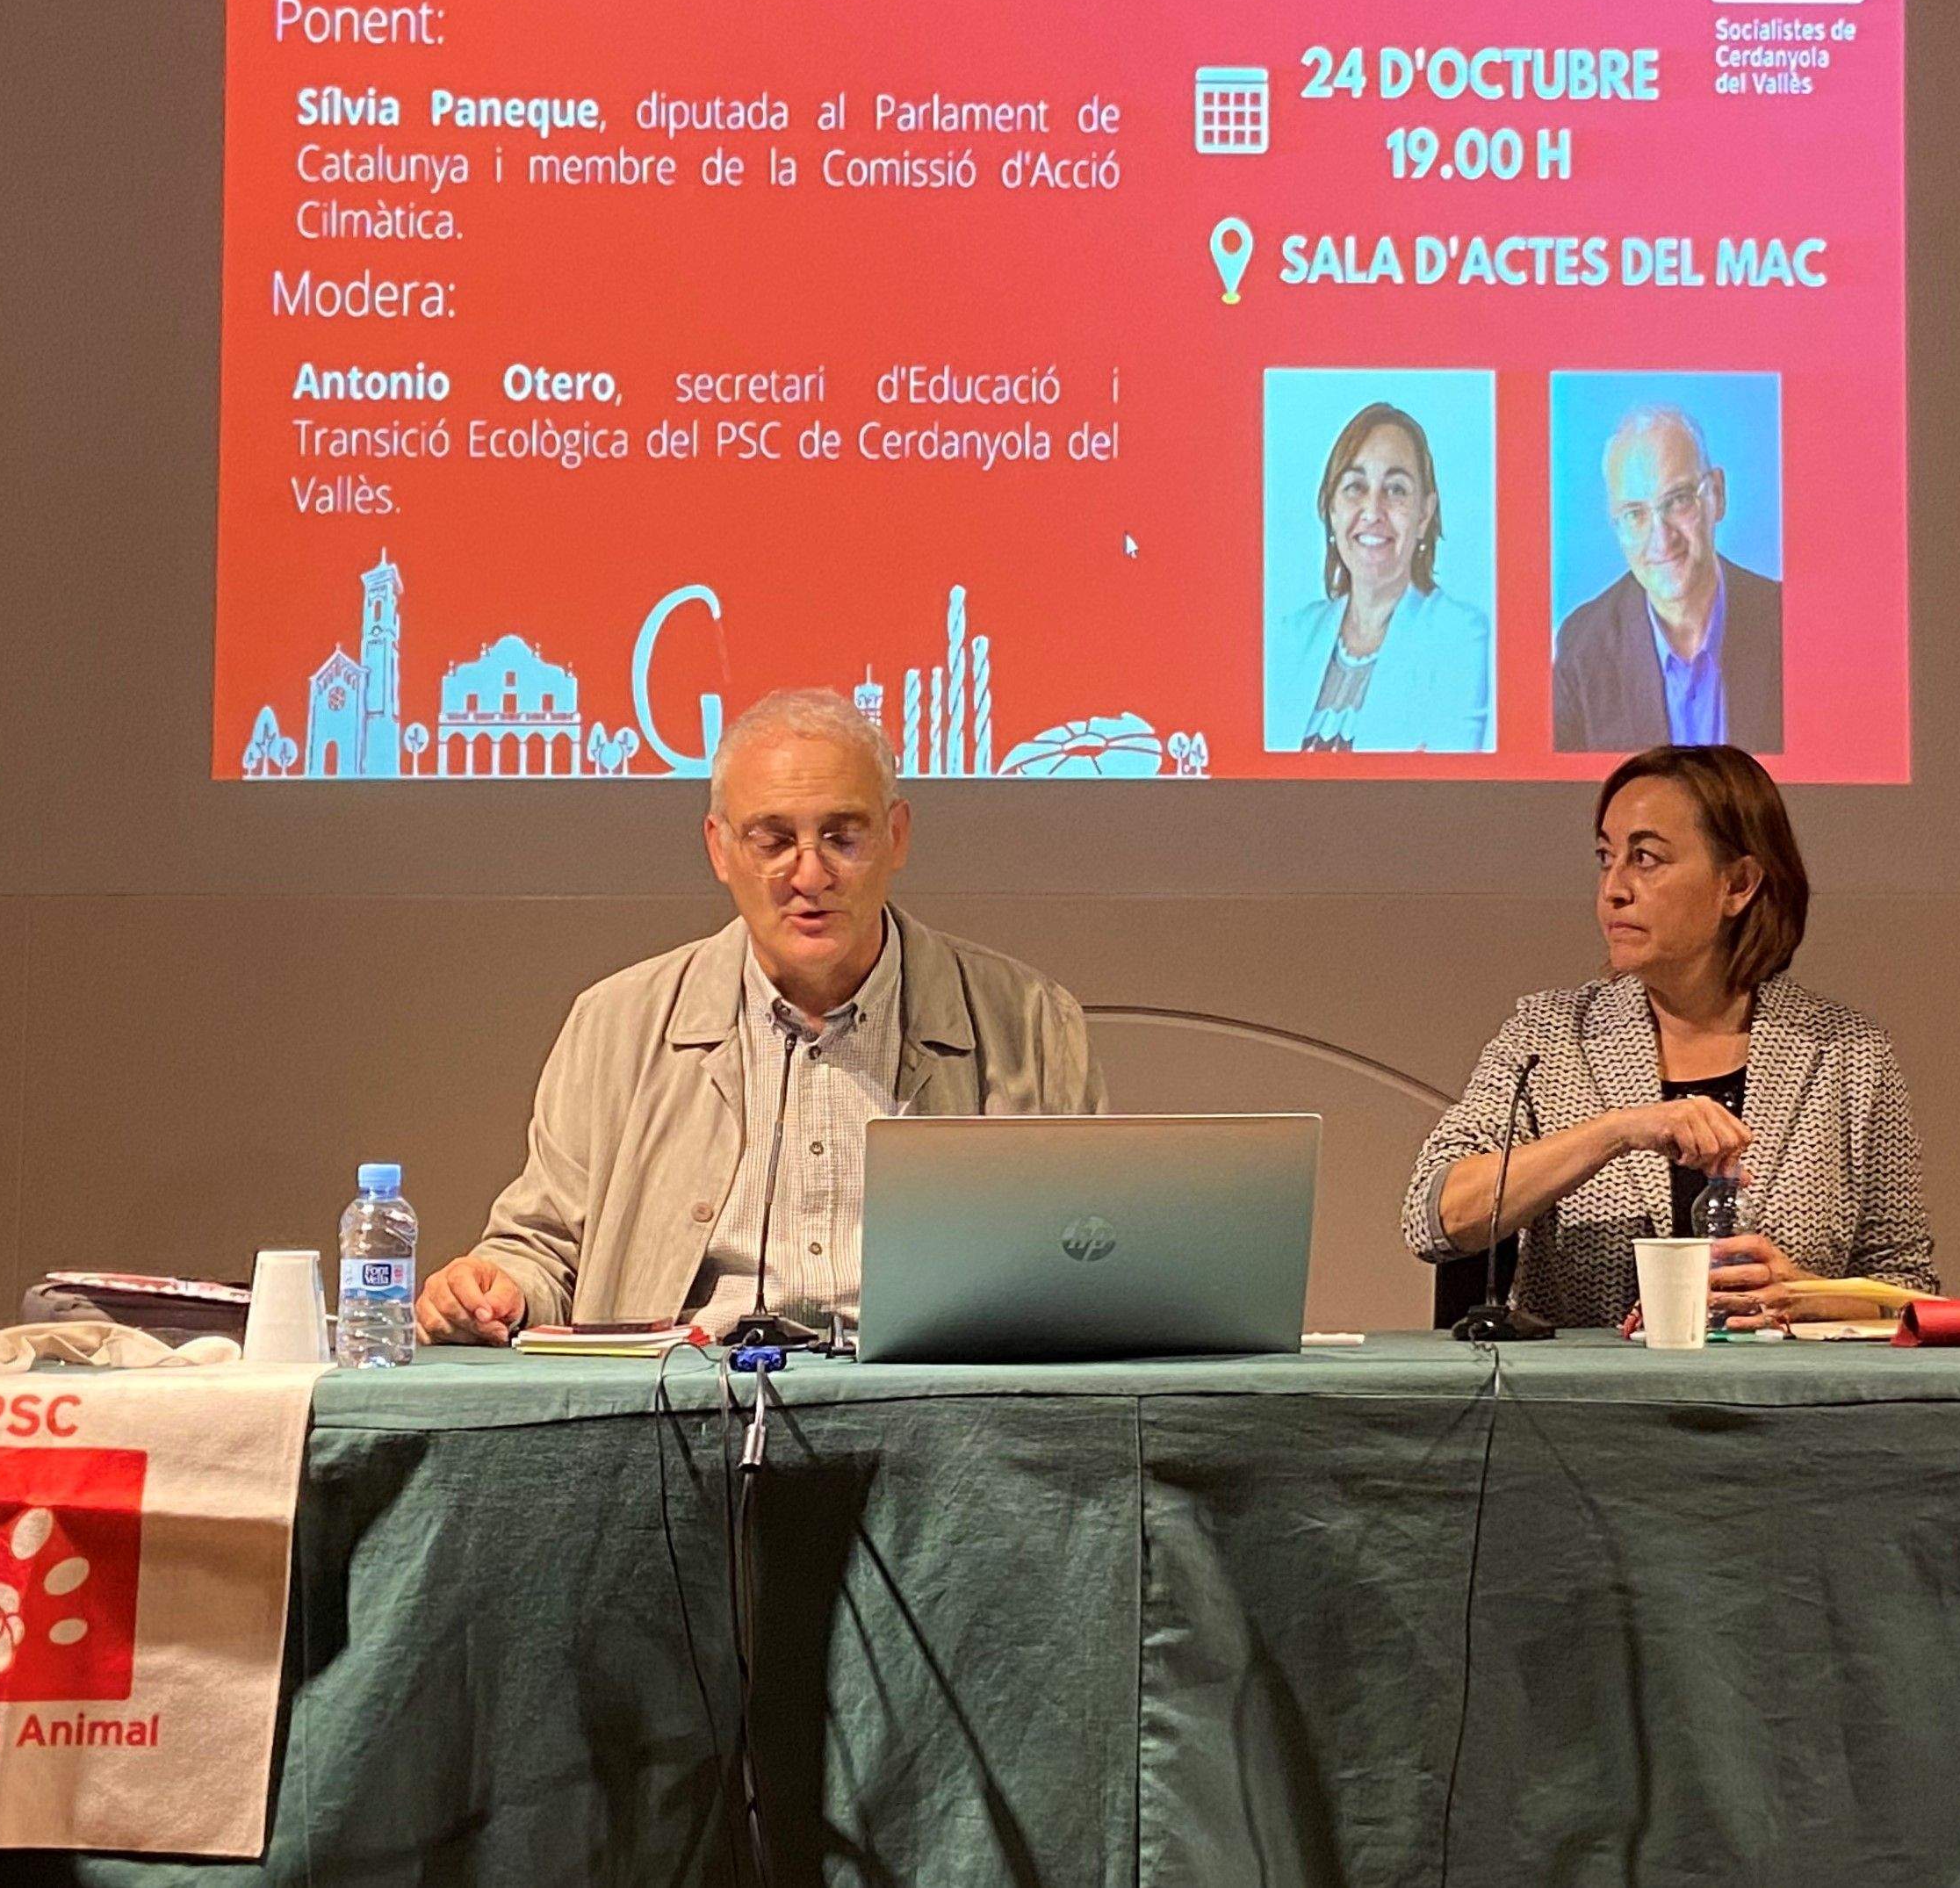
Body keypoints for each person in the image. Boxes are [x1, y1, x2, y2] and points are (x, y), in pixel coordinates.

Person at [418, 687, 1105, 1344]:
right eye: (773, 841)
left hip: (933, 1412)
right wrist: (495, 1285)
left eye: (843, 836)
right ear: (720, 849)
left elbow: (1092, 1251)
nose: (810, 875)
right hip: (681, 1409)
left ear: (896, 837)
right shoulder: (614, 1024)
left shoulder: (1031, 1023)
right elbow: (542, 1249)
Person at [1399, 742, 1934, 1328]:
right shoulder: (1548, 1037)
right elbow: (1434, 1215)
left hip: (1785, 1407)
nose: (1614, 889)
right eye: (1606, 858)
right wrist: (1620, 1129)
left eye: (1645, 858)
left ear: (1738, 884)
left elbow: (1907, 1289)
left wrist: (1805, 1295)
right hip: (1589, 1408)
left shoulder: (1846, 1054)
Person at [1265, 400, 1495, 753]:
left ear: (1424, 515)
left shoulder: (1462, 637)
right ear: (1331, 508)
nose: (1373, 511)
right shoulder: (1290, 635)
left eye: (1396, 490)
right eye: (1355, 487)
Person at [1550, 406, 1783, 753]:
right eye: (1635, 514)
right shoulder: (1582, 650)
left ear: (1716, 495)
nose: (1661, 538)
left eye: (1677, 501)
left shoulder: (1786, 622)